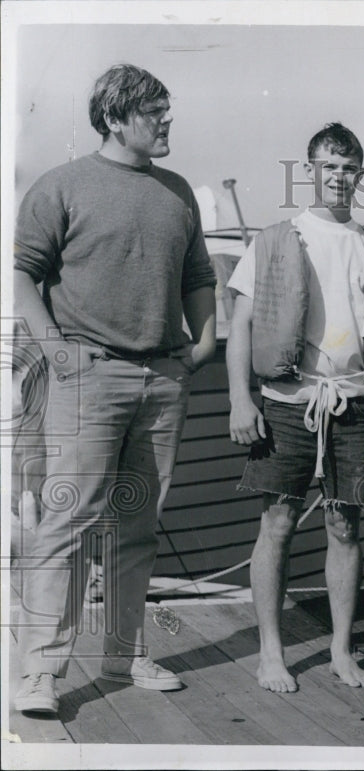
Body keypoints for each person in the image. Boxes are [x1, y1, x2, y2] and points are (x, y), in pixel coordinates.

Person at [12, 64, 217, 713]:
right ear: (115, 116)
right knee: (66, 518)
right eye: (154, 111)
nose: (166, 122)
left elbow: (198, 275)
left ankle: (124, 653)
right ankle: (41, 670)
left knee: (138, 524)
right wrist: (56, 351)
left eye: (166, 110)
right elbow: (21, 273)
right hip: (86, 373)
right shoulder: (62, 186)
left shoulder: (177, 191)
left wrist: (204, 343)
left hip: (161, 377)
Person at [227, 122, 364, 692]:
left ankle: (340, 648)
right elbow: (241, 326)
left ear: (361, 174)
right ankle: (271, 653)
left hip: (354, 405)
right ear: (310, 170)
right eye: (329, 166)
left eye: (349, 167)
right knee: (279, 522)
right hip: (288, 402)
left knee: (345, 526)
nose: (339, 177)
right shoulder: (276, 239)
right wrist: (240, 398)